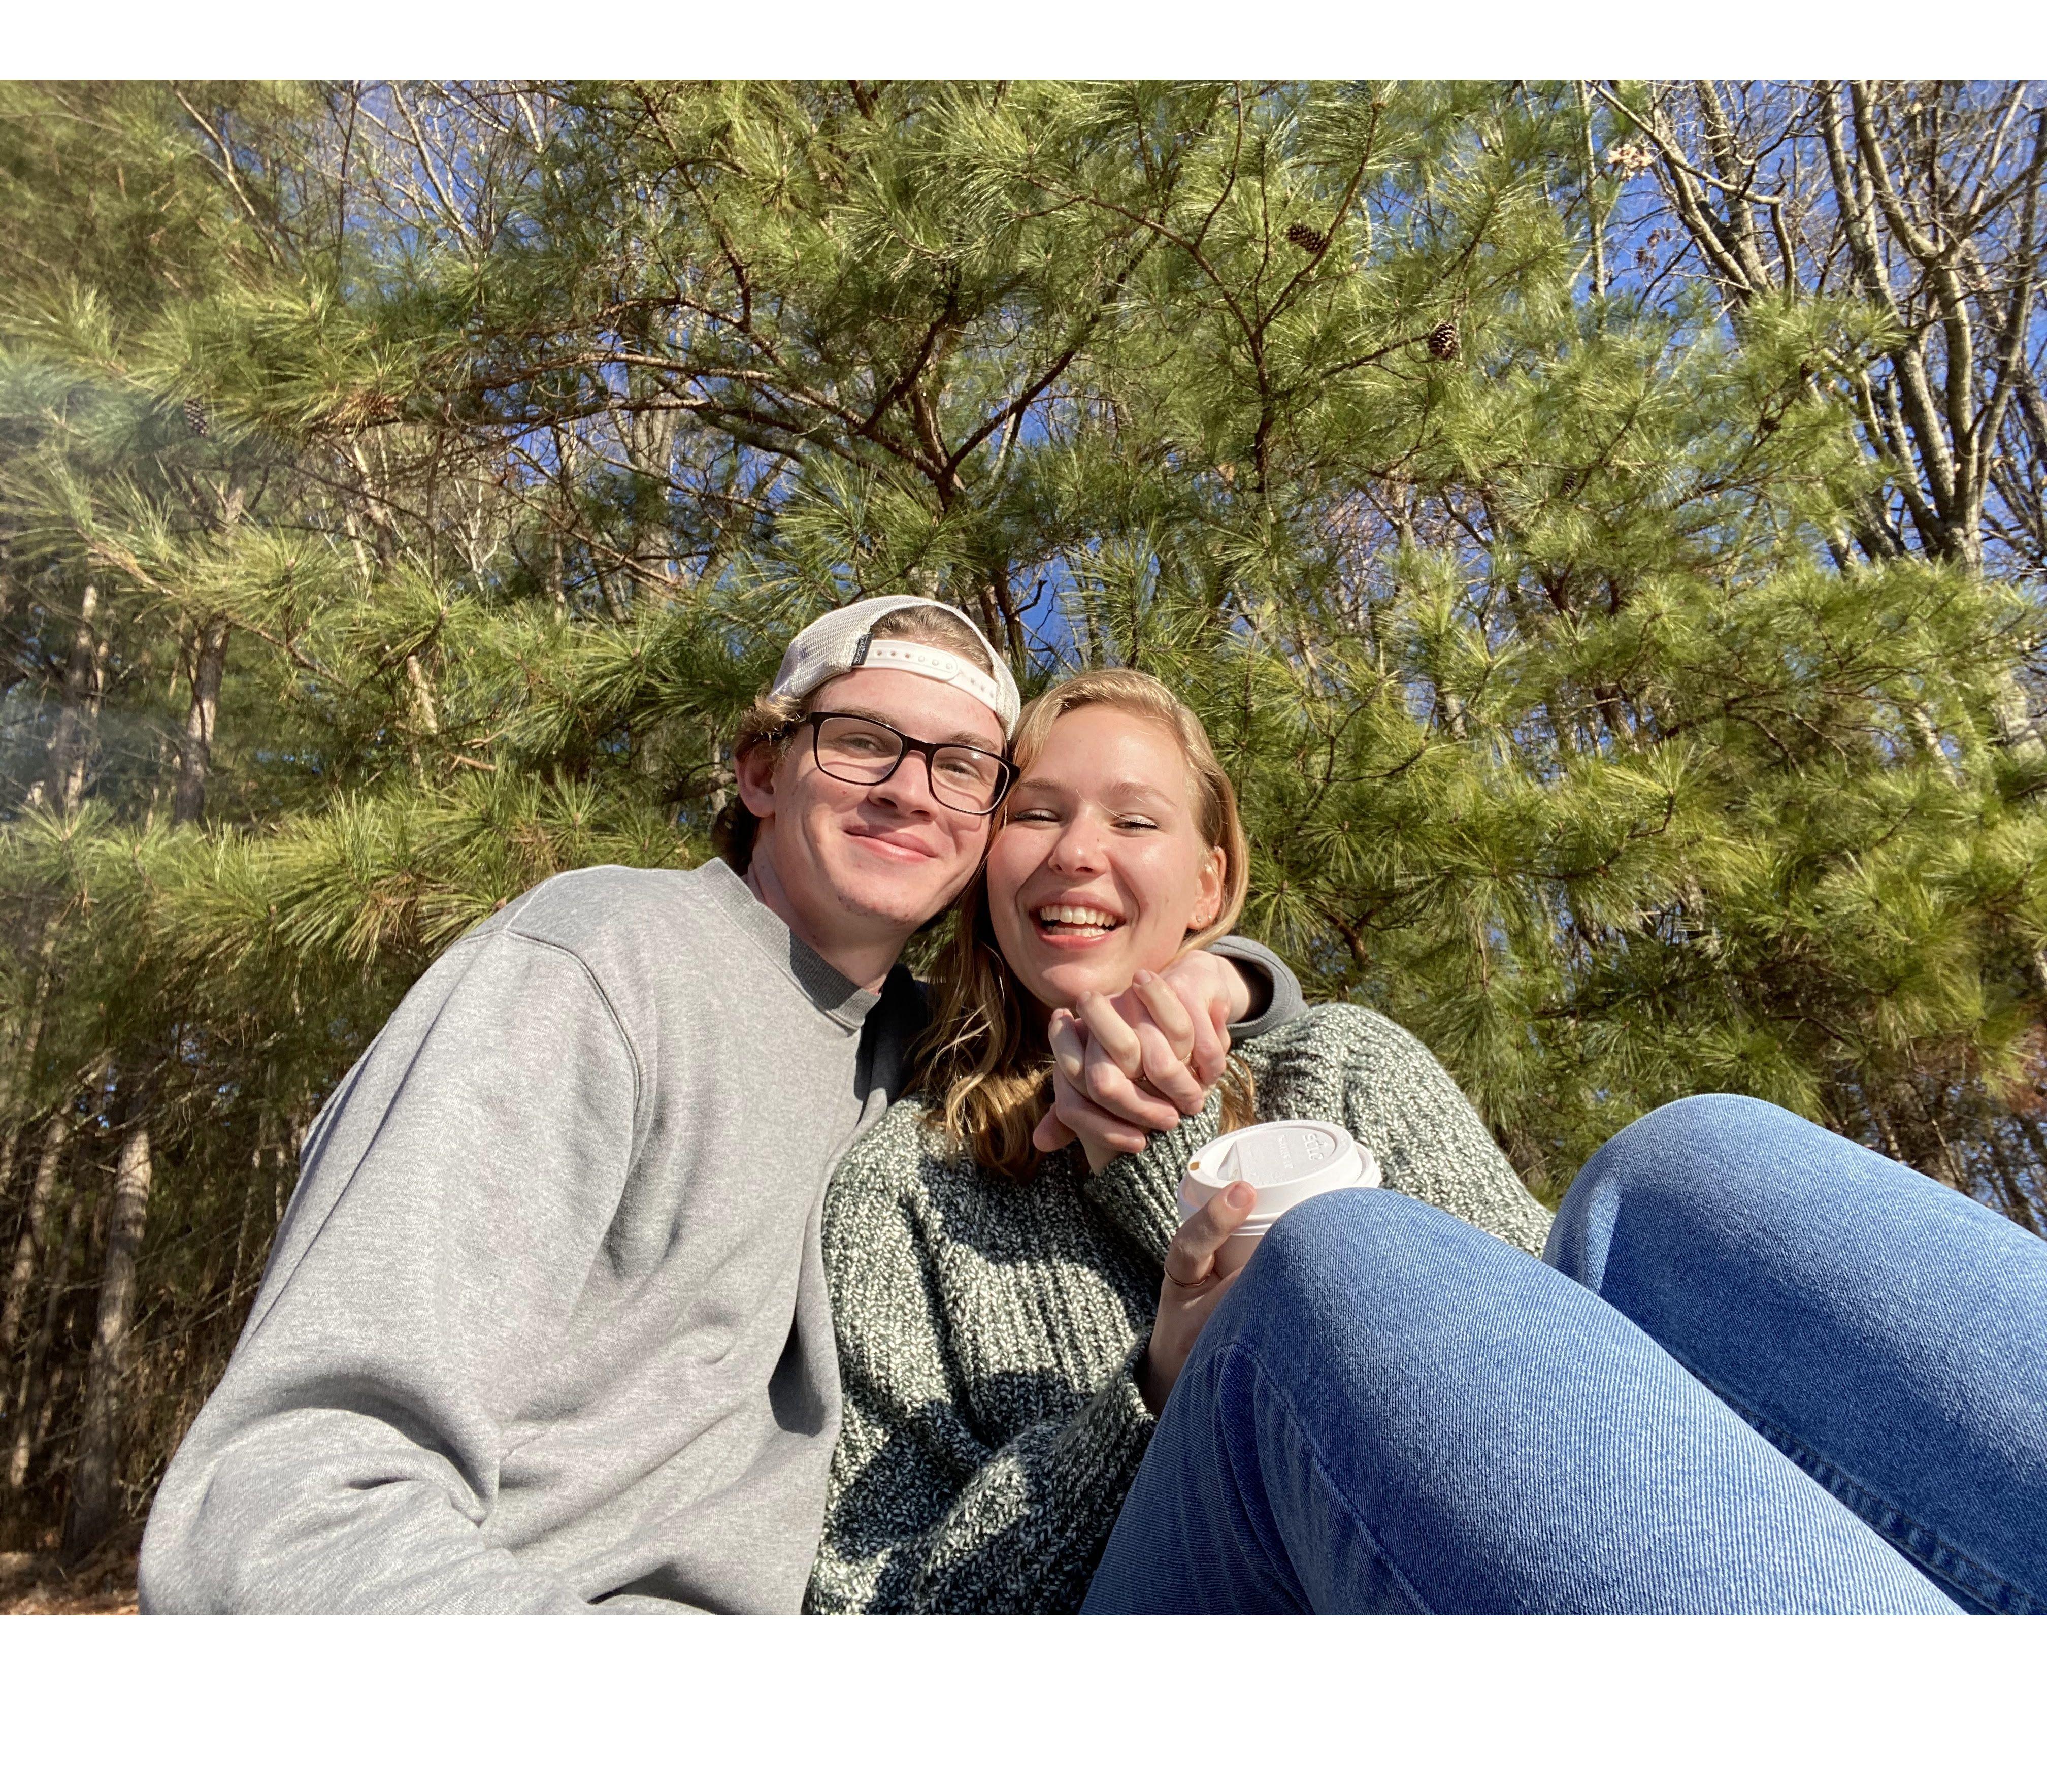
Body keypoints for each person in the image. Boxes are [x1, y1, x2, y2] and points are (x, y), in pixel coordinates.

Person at [138, 598, 1301, 1614]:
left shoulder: (930, 1062)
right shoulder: (598, 964)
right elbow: (289, 1494)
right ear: (760, 772)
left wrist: (1222, 978)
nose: (909, 789)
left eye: (962, 768)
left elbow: (1173, 989)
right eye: (860, 742)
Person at [806, 668, 2047, 1615]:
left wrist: (1182, 1107)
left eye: (1136, 822)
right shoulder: (906, 1192)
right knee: (1329, 1261)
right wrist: (1161, 1389)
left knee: (1690, 1165)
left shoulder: (1343, 1063)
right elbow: (876, 1616)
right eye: (1036, 814)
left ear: (1210, 888)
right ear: (988, 873)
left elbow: (1562, 1388)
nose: (1080, 850)